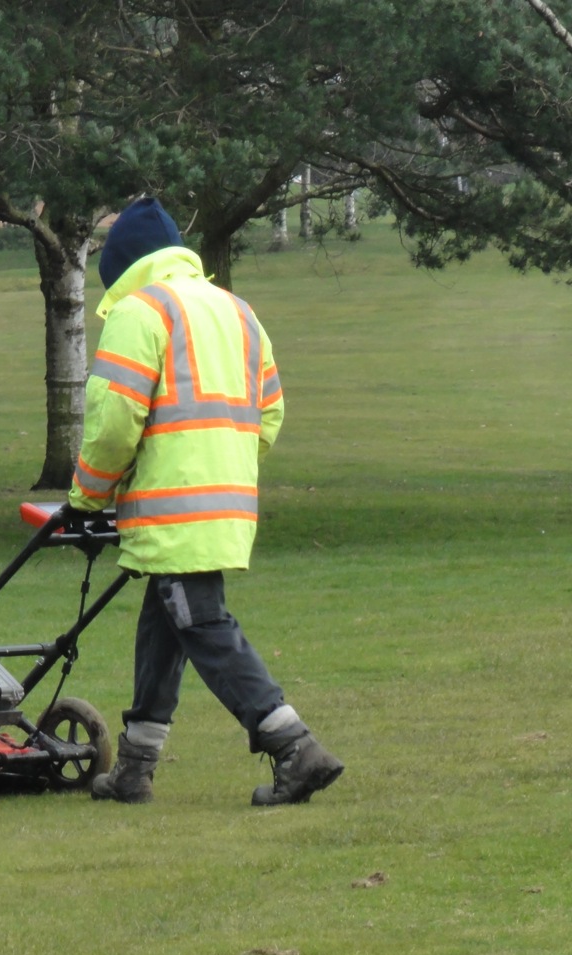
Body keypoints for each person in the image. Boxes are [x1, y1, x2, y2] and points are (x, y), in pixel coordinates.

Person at [62, 197, 343, 806]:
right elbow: (270, 411)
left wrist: (87, 497)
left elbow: (114, 422)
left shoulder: (142, 313)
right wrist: (228, 464)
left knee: (202, 624)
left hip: (173, 508)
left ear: (124, 267)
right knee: (164, 624)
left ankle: (293, 746)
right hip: (228, 504)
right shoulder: (239, 311)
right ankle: (135, 768)